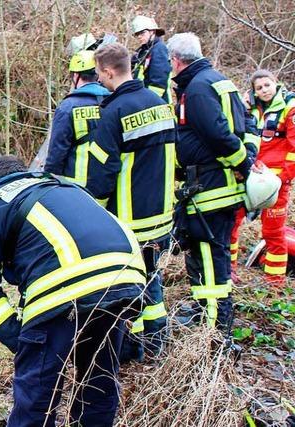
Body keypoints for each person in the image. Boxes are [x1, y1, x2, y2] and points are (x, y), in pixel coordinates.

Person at [0, 156, 146, 427]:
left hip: (66, 282)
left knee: (36, 395)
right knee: (99, 379)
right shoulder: (64, 185)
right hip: (127, 272)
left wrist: (19, 339)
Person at [88, 42, 175, 358]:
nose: (99, 79)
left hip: (129, 223)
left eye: (100, 74)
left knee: (128, 290)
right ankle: (155, 346)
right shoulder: (160, 103)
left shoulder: (114, 113)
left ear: (109, 71)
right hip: (162, 218)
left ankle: (131, 351)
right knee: (153, 282)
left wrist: (92, 218)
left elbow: (102, 173)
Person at [167, 32, 256, 331]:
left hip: (210, 189)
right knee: (210, 253)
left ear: (177, 61)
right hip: (216, 185)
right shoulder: (218, 80)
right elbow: (247, 124)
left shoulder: (198, 88)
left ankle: (215, 326)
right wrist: (247, 159)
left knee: (209, 255)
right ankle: (209, 314)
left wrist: (243, 162)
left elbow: (218, 134)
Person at [230, 70, 295, 286]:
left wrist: (284, 177)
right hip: (248, 176)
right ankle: (228, 273)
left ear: (276, 83)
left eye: (267, 85)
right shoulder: (250, 108)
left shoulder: (289, 107)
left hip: (275, 182)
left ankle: (274, 284)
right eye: (259, 88)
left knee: (273, 233)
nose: (264, 90)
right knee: (231, 225)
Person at [44, 48, 111, 185]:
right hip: (108, 181)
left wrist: (49, 178)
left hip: (77, 183)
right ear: (97, 74)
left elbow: (57, 150)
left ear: (75, 76)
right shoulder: (113, 101)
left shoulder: (68, 107)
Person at [130, 15, 172, 103]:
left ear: (152, 31)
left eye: (142, 33)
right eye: (137, 34)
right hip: (143, 97)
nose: (139, 36)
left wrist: (149, 103)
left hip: (156, 103)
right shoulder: (143, 51)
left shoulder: (159, 49)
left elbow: (158, 83)